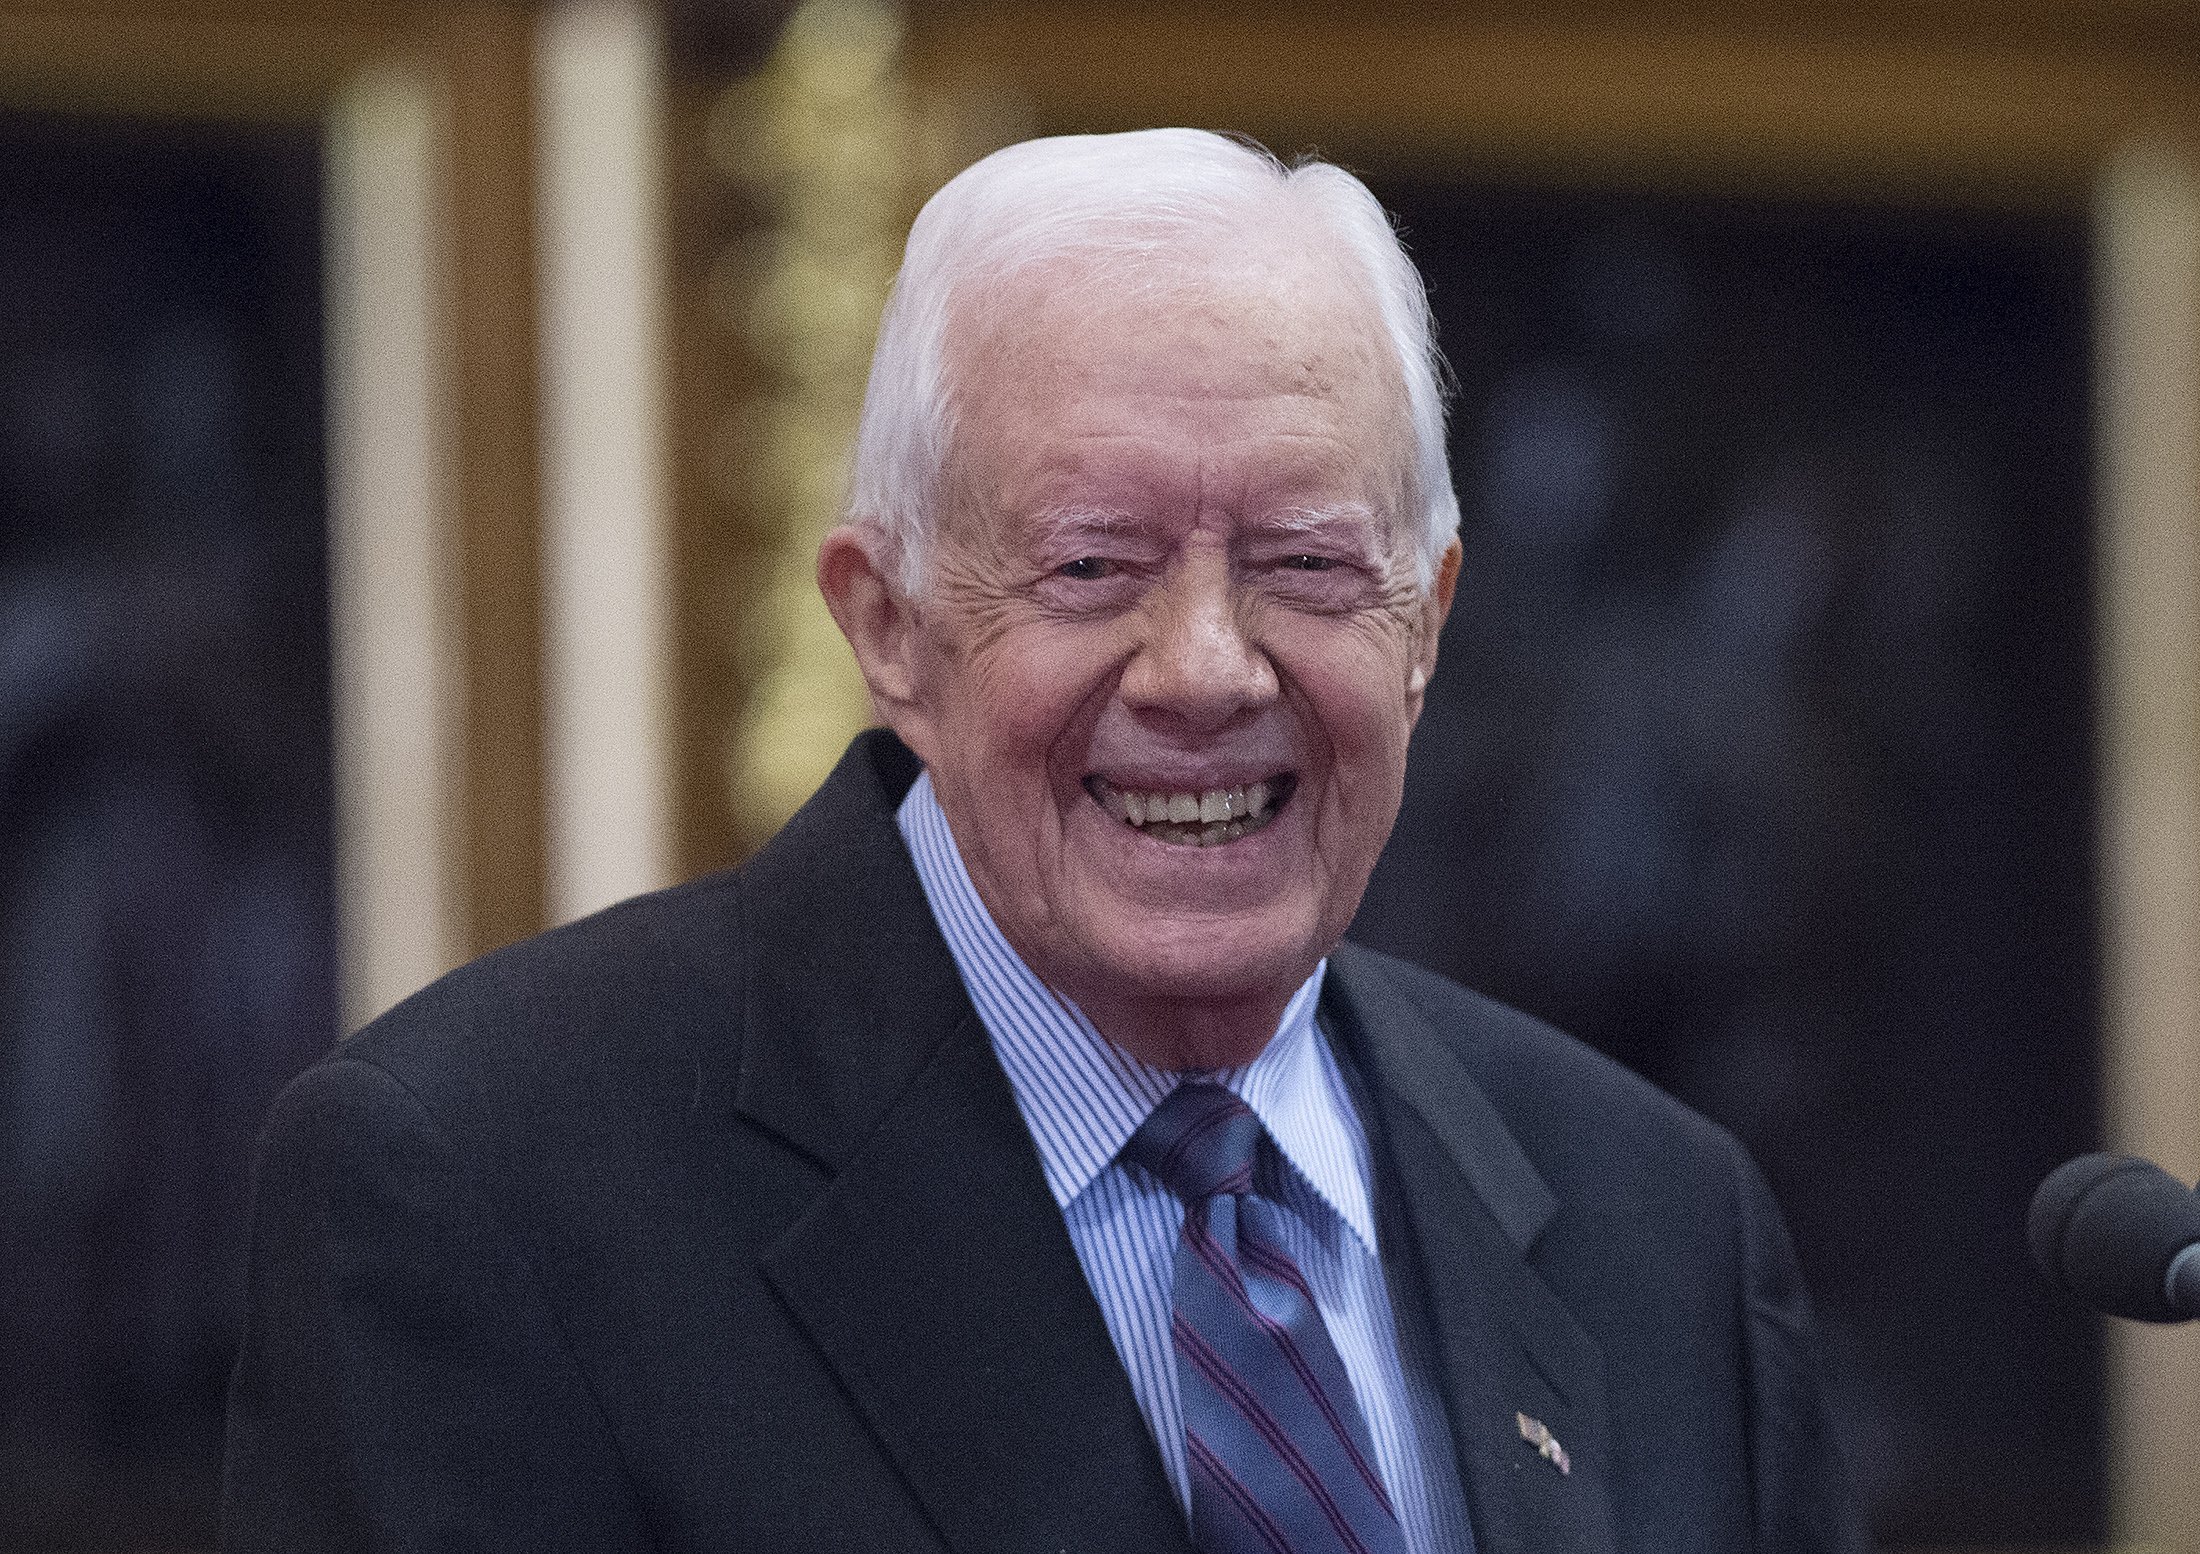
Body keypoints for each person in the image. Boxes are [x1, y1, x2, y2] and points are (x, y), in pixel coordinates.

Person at [223, 129, 1865, 1553]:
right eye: (1093, 566)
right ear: (888, 627)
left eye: (1305, 564)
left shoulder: (1660, 1226)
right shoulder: (480, 1188)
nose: (1210, 667)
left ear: (1427, 624)